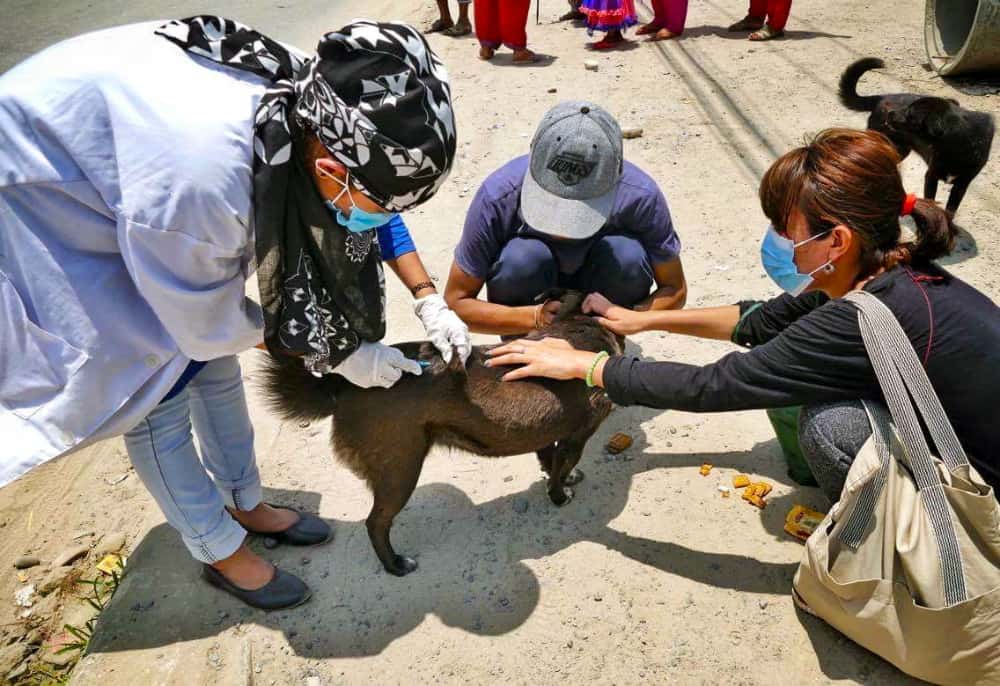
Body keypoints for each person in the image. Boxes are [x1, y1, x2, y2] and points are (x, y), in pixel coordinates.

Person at [0, 16, 468, 610]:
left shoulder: (331, 106)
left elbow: (378, 203)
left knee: (216, 373)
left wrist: (427, 297)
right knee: (155, 386)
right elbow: (204, 321)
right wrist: (338, 352)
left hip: (135, 173)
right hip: (47, 194)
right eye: (372, 202)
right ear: (327, 169)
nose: (375, 216)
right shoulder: (196, 189)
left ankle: (244, 500)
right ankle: (218, 550)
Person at [485, 129, 1000, 502]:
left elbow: (718, 385)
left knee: (828, 425)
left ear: (836, 241)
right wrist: (642, 319)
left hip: (986, 490)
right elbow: (756, 320)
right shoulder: (883, 269)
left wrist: (586, 368)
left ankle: (899, 541)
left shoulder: (857, 318)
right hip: (966, 429)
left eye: (786, 229)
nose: (779, 240)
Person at [445, 102, 687, 337]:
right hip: (531, 300)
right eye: (551, 205)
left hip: (601, 292)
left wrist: (629, 317)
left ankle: (606, 343)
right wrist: (532, 318)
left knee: (627, 256)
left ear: (616, 172)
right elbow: (457, 301)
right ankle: (522, 341)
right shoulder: (498, 195)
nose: (564, 231)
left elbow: (674, 288)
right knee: (521, 260)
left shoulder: (640, 196)